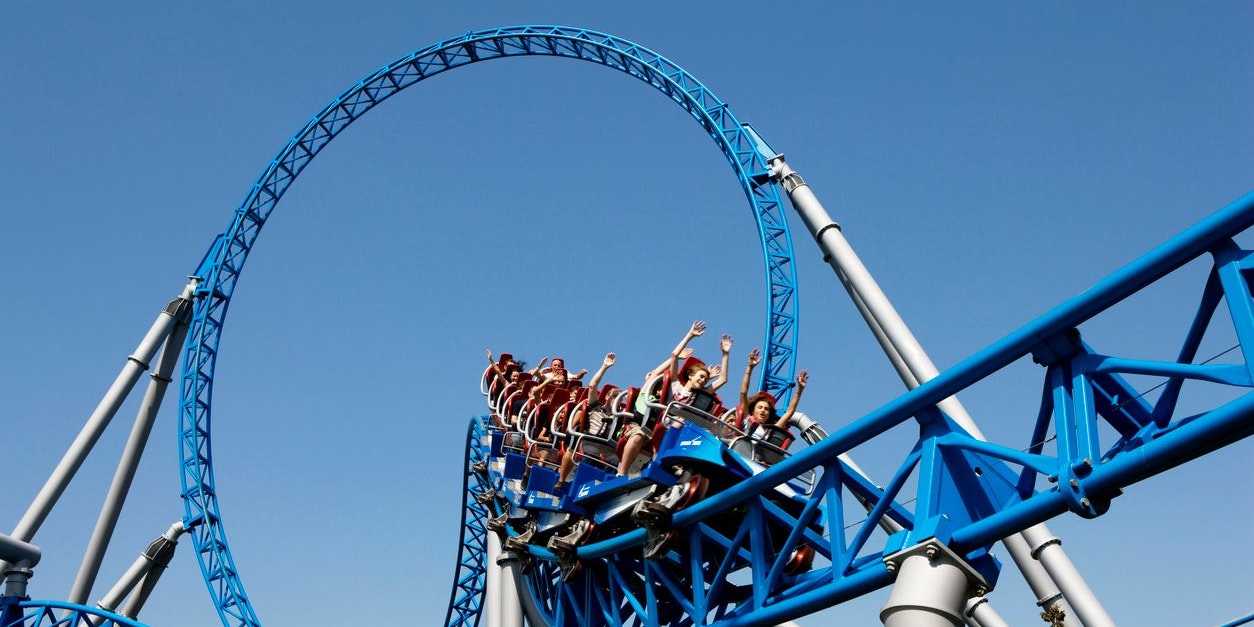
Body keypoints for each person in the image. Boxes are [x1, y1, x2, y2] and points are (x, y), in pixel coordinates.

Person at [556, 352, 618, 489]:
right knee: (592, 454)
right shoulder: (596, 406)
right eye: (612, 395)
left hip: (607, 445)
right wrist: (604, 367)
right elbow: (592, 386)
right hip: (591, 440)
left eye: (618, 397)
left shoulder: (618, 417)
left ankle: (604, 487)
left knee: (615, 461)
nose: (615, 398)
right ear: (605, 397)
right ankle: (573, 483)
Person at [737, 347, 808, 436]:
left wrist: (800, 390)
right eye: (760, 407)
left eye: (766, 409)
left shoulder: (770, 431)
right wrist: (750, 368)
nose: (763, 410)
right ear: (753, 410)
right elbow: (743, 393)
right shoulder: (747, 419)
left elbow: (789, 413)